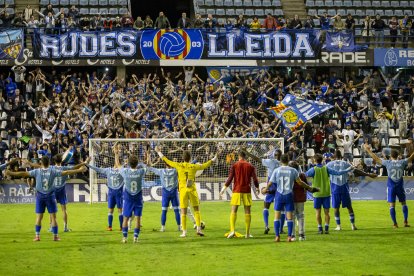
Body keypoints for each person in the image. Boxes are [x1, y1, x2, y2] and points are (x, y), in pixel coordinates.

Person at [5, 156, 86, 241]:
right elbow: (66, 172)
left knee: (39, 217)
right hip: (50, 196)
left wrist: (11, 173)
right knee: (53, 217)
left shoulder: (37, 171)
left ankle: (37, 236)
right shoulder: (53, 171)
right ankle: (55, 236)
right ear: (49, 163)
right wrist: (79, 170)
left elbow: (24, 174)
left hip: (40, 196)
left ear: (41, 163)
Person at [155, 146, 217, 237]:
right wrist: (214, 158)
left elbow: (166, 160)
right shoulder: (194, 166)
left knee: (183, 211)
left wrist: (158, 152)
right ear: (190, 158)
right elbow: (205, 165)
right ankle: (199, 229)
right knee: (196, 210)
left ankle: (184, 232)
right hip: (192, 190)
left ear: (182, 158)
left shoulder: (178, 165)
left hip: (183, 191)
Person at [24, 153, 88, 232]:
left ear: (54, 161)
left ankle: (51, 227)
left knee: (51, 211)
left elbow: (39, 166)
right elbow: (74, 167)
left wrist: (29, 163)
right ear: (61, 160)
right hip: (61, 190)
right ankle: (65, 227)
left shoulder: (51, 167)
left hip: (53, 190)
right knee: (64, 209)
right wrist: (83, 164)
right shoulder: (64, 168)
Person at [263, 154, 318, 242]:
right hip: (289, 195)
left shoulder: (276, 170)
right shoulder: (293, 170)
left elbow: (270, 183)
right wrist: (310, 188)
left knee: (277, 216)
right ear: (288, 160)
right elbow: (300, 182)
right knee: (289, 217)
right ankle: (289, 236)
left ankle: (277, 236)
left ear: (280, 161)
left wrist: (265, 189)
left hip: (279, 195)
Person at [364, 145, 414, 228]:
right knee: (404, 203)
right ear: (398, 155)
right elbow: (411, 158)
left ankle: (395, 224)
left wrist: (368, 150)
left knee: (392, 205)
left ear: (391, 156)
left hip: (391, 187)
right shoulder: (402, 162)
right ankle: (405, 221)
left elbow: (376, 159)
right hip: (400, 186)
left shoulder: (388, 163)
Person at [305, 154, 353, 234]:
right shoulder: (326, 168)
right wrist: (348, 169)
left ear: (315, 161)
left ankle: (320, 229)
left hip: (317, 194)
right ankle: (326, 229)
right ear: (322, 160)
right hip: (326, 193)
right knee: (327, 213)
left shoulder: (313, 169)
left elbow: (304, 175)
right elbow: (338, 173)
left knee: (318, 213)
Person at [219, 150, 259, 239]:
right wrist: (257, 187)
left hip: (237, 190)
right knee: (247, 211)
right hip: (246, 190)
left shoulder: (235, 165)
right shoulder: (250, 166)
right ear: (246, 157)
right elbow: (255, 179)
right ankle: (247, 234)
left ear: (239, 156)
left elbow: (230, 178)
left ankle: (232, 230)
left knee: (233, 210)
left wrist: (223, 189)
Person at [242, 148, 282, 234]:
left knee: (266, 206)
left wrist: (247, 153)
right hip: (281, 186)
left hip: (271, 184)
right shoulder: (283, 163)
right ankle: (281, 229)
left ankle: (266, 225)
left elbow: (257, 159)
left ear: (275, 155)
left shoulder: (271, 162)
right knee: (281, 209)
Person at [87, 146, 124, 231]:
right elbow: (97, 169)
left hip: (112, 193)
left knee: (112, 210)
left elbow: (97, 169)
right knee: (118, 210)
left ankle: (112, 226)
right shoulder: (122, 171)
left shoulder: (108, 170)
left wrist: (87, 164)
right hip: (118, 193)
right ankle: (118, 227)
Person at [146, 153, 181, 232]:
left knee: (164, 210)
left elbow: (150, 168)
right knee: (176, 210)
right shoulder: (176, 170)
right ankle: (179, 227)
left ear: (165, 163)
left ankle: (163, 227)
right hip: (174, 192)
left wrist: (148, 158)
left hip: (165, 193)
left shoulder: (161, 171)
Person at [117, 153, 147, 243]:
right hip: (138, 198)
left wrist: (116, 154)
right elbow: (147, 166)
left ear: (129, 164)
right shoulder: (140, 172)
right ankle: (135, 237)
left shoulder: (125, 172)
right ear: (137, 164)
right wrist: (148, 156)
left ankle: (124, 238)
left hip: (128, 199)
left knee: (125, 218)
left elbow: (118, 165)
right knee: (138, 218)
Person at [325, 150, 358, 231]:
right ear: (341, 155)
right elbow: (352, 173)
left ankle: (338, 226)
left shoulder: (329, 164)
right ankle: (353, 225)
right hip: (344, 187)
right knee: (349, 207)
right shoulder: (346, 163)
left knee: (336, 208)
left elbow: (325, 173)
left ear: (334, 156)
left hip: (335, 188)